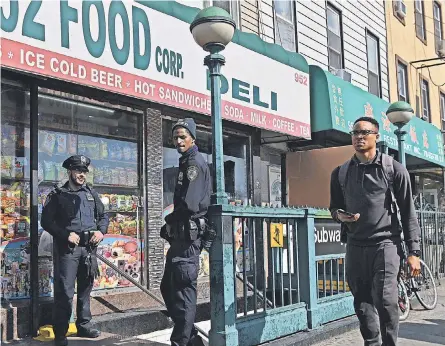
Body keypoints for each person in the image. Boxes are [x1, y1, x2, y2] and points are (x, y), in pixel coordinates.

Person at [329, 116, 421, 346]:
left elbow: (408, 211)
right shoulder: (340, 173)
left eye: (364, 133)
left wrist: (414, 253)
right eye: (355, 133)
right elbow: (334, 208)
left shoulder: (393, 169)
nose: (359, 137)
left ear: (376, 137)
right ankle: (372, 342)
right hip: (355, 245)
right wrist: (341, 216)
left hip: (386, 244)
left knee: (386, 300)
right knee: (361, 302)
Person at [41, 155, 109, 346]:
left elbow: (104, 216)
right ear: (69, 171)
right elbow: (46, 222)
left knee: (86, 289)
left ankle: (84, 325)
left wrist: (101, 231)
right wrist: (65, 234)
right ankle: (61, 333)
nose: (82, 175)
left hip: (88, 249)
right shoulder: (57, 195)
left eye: (84, 171)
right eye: (78, 171)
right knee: (65, 292)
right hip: (68, 251)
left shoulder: (91, 194)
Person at [160, 118, 212, 346]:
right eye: (175, 137)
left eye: (183, 136)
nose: (178, 141)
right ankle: (190, 339)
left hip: (188, 240)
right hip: (179, 239)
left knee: (182, 293)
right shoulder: (186, 162)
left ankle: (181, 341)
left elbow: (190, 205)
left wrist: (169, 219)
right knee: (168, 287)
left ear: (193, 137)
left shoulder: (193, 164)